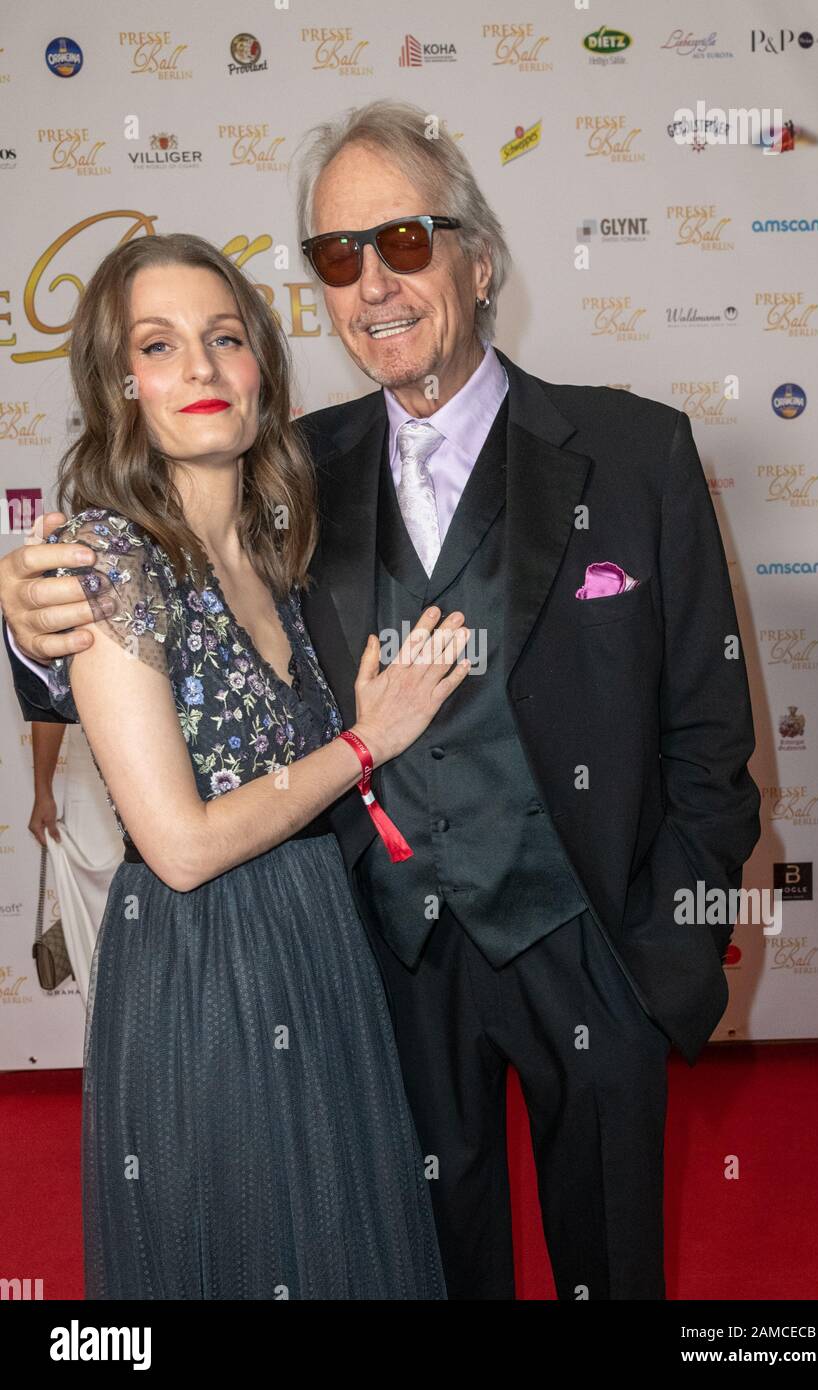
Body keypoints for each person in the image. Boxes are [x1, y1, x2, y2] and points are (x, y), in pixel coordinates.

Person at [1, 98, 763, 1301]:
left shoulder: (633, 452)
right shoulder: (292, 464)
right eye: (336, 258)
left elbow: (710, 733)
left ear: (477, 257)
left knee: (610, 1273)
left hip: (587, 948)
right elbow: (162, 587)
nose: (373, 285)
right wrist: (29, 620)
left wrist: (661, 958)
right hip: (378, 967)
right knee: (417, 1270)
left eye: (403, 241)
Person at [2, 229, 472, 1299]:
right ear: (120, 387)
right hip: (202, 969)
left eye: (224, 338)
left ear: (262, 364)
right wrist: (366, 740)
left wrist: (336, 731)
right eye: (159, 346)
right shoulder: (110, 558)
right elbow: (175, 844)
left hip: (315, 942)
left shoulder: (272, 546)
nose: (202, 368)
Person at [29, 721, 123, 1008]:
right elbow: (47, 697)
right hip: (92, 774)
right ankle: (112, 1044)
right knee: (101, 933)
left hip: (173, 763)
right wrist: (43, 789)